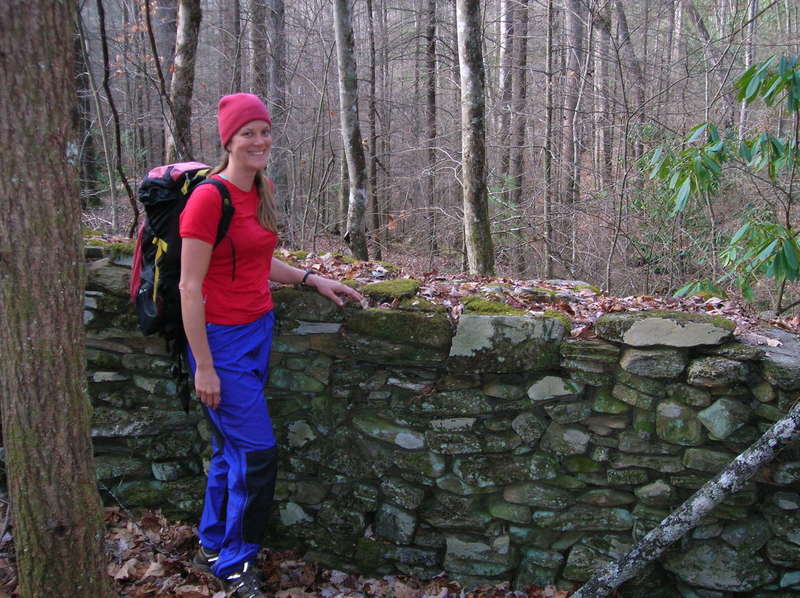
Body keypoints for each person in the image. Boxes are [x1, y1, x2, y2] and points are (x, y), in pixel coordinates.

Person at [178, 93, 362, 598]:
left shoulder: (260, 189)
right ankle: (237, 563)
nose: (259, 141)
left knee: (229, 449)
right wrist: (205, 368)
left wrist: (310, 279)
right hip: (218, 341)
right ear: (228, 140)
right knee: (258, 454)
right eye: (248, 133)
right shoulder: (207, 199)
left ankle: (212, 543)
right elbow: (189, 287)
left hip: (258, 329)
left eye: (264, 130)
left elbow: (259, 261)